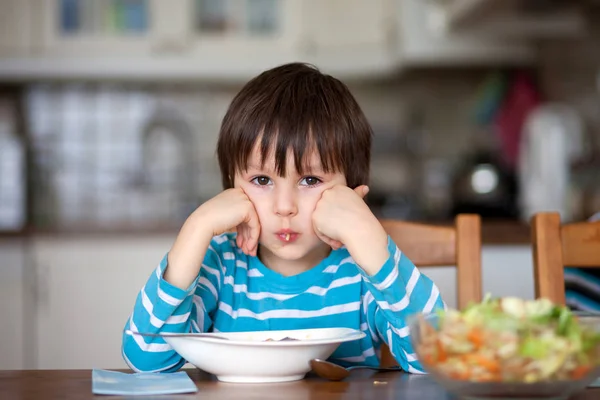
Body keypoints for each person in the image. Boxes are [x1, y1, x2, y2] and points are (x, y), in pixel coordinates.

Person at [121, 62, 445, 374]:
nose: (285, 206)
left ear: (349, 194)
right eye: (262, 181)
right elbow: (147, 359)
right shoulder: (219, 266)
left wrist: (369, 239)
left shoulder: (361, 273)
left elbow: (438, 358)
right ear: (231, 188)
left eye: (310, 181)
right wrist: (195, 229)